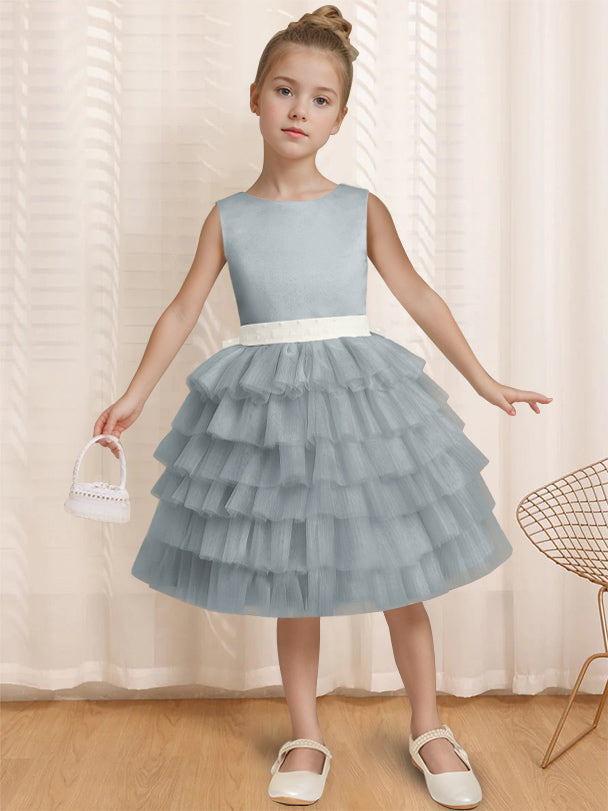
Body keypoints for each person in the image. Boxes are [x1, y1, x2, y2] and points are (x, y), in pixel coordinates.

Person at [93, 5, 552, 808]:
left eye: (319, 98)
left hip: (357, 411)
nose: (298, 110)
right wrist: (133, 394)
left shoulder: (359, 207)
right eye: (284, 90)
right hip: (270, 417)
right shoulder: (229, 217)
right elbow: (181, 309)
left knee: (401, 574)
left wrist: (483, 379)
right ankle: (305, 734)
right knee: (292, 577)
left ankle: (429, 726)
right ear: (254, 97)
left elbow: (419, 295)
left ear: (339, 116)